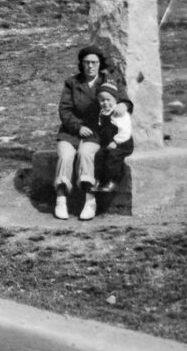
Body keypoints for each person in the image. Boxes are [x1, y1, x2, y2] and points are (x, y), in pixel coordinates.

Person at [53, 45, 130, 221]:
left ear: (99, 64)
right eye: (86, 62)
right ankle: (61, 199)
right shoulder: (72, 83)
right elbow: (64, 110)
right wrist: (77, 126)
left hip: (95, 132)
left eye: (94, 62)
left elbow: (124, 99)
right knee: (65, 156)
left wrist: (123, 105)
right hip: (71, 132)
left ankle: (89, 200)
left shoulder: (107, 80)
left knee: (85, 154)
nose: (90, 66)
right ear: (81, 64)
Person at [94, 82, 134, 193]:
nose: (105, 103)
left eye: (108, 99)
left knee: (113, 158)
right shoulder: (103, 112)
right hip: (108, 143)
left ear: (115, 99)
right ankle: (100, 180)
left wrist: (116, 142)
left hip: (122, 144)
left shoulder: (119, 113)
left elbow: (125, 131)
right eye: (102, 100)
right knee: (99, 156)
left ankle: (113, 181)